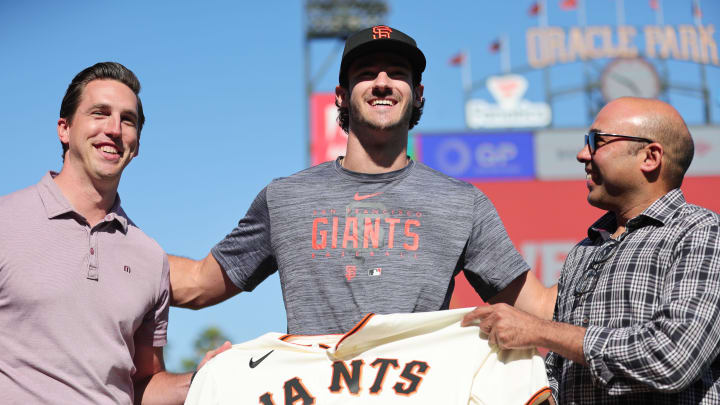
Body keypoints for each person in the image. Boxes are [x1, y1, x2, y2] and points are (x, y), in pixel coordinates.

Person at [170, 26, 555, 335]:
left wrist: (617, 252)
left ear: (418, 94)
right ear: (340, 95)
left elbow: (538, 307)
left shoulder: (460, 203)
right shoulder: (285, 198)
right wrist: (111, 245)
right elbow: (198, 284)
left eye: (398, 74)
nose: (383, 83)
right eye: (367, 74)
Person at [463, 97, 720, 403]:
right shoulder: (585, 250)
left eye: (596, 141)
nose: (582, 154)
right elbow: (562, 371)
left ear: (650, 157)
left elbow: (674, 356)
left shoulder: (702, 232)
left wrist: (541, 332)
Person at [0, 62, 227, 404]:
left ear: (136, 145)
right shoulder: (6, 222)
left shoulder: (150, 257)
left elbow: (144, 385)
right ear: (65, 128)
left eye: (127, 120)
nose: (114, 129)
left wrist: (203, 381)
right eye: (99, 113)